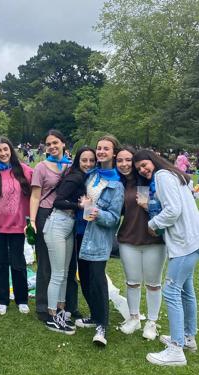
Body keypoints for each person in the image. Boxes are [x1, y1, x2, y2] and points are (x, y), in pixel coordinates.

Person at [133, 149, 199, 366]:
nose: (143, 170)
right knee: (186, 290)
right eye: (139, 169)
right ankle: (188, 338)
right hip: (194, 239)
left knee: (171, 290)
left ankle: (176, 349)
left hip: (186, 243)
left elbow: (173, 210)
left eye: (144, 165)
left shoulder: (162, 176)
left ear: (153, 160)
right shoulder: (173, 174)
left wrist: (152, 224)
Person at [76, 134, 124, 347]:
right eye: (99, 148)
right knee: (84, 278)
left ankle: (102, 326)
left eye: (106, 148)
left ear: (114, 152)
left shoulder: (116, 184)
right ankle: (95, 315)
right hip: (81, 232)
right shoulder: (91, 175)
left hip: (99, 237)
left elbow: (114, 218)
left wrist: (97, 213)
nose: (101, 151)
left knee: (98, 280)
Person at [30, 130, 81, 324]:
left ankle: (69, 304)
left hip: (68, 215)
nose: (52, 146)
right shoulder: (41, 167)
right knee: (46, 263)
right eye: (48, 143)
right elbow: (35, 196)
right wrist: (33, 221)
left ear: (63, 144)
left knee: (69, 263)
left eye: (55, 142)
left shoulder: (72, 166)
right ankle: (44, 306)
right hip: (46, 214)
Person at [43, 147, 96, 334]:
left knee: (65, 273)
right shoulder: (75, 177)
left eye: (91, 160)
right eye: (84, 160)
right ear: (77, 161)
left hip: (68, 224)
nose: (88, 164)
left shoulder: (83, 177)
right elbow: (58, 201)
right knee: (58, 273)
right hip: (57, 223)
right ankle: (51, 316)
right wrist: (79, 205)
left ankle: (61, 310)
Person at [115, 146, 165, 340]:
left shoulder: (150, 180)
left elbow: (168, 206)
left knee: (153, 284)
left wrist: (149, 204)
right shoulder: (119, 183)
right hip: (128, 238)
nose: (124, 164)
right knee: (132, 282)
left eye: (128, 160)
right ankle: (134, 318)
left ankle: (152, 322)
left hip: (153, 239)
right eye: (120, 160)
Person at [0, 137, 33, 316]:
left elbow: (38, 191)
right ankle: (2, 299)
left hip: (19, 227)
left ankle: (21, 299)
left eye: (5, 149)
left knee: (18, 264)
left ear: (11, 150)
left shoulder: (25, 171)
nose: (3, 153)